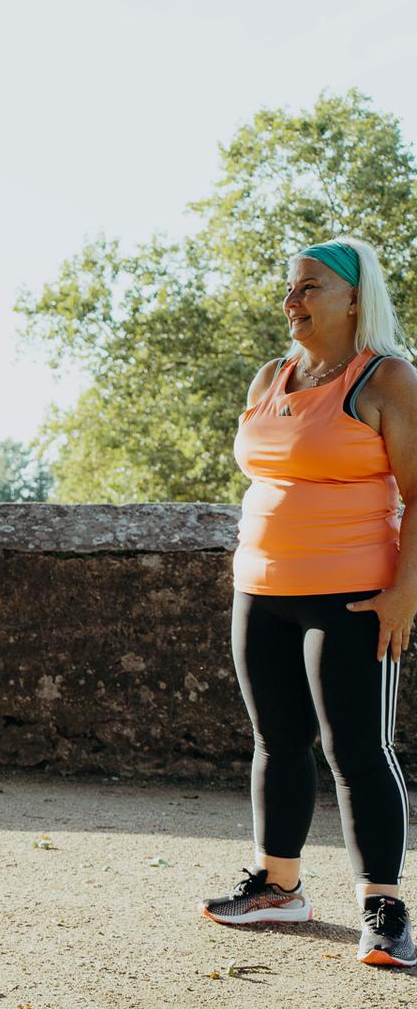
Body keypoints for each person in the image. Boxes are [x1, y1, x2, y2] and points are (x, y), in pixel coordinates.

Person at [202, 235, 415, 968]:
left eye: (310, 288)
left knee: (358, 749)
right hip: (262, 587)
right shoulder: (271, 376)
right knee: (276, 741)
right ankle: (278, 886)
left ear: (355, 297)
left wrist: (404, 593)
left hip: (353, 591)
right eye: (290, 287)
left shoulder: (386, 380)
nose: (293, 301)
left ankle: (383, 909)